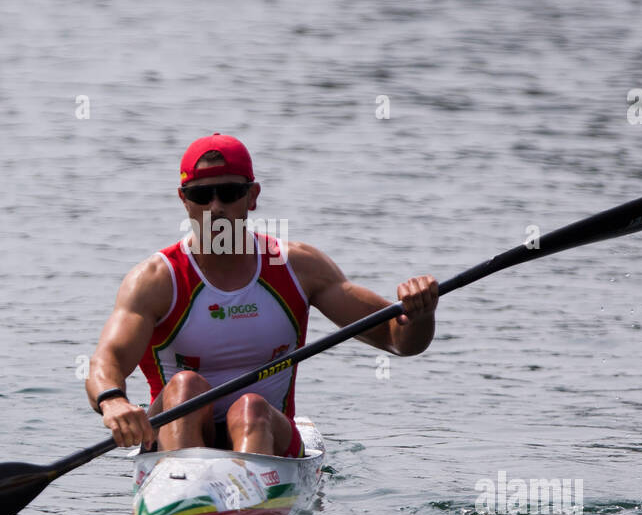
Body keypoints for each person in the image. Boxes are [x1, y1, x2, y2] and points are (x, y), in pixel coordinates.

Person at [85, 133, 439, 456]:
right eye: (201, 195)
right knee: (186, 387)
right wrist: (113, 400)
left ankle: (241, 494)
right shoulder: (156, 279)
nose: (216, 208)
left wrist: (421, 314)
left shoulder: (298, 267)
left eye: (229, 193)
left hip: (266, 434)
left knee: (250, 406)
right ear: (184, 201)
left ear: (252, 197)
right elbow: (106, 362)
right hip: (175, 432)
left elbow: (400, 340)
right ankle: (185, 486)